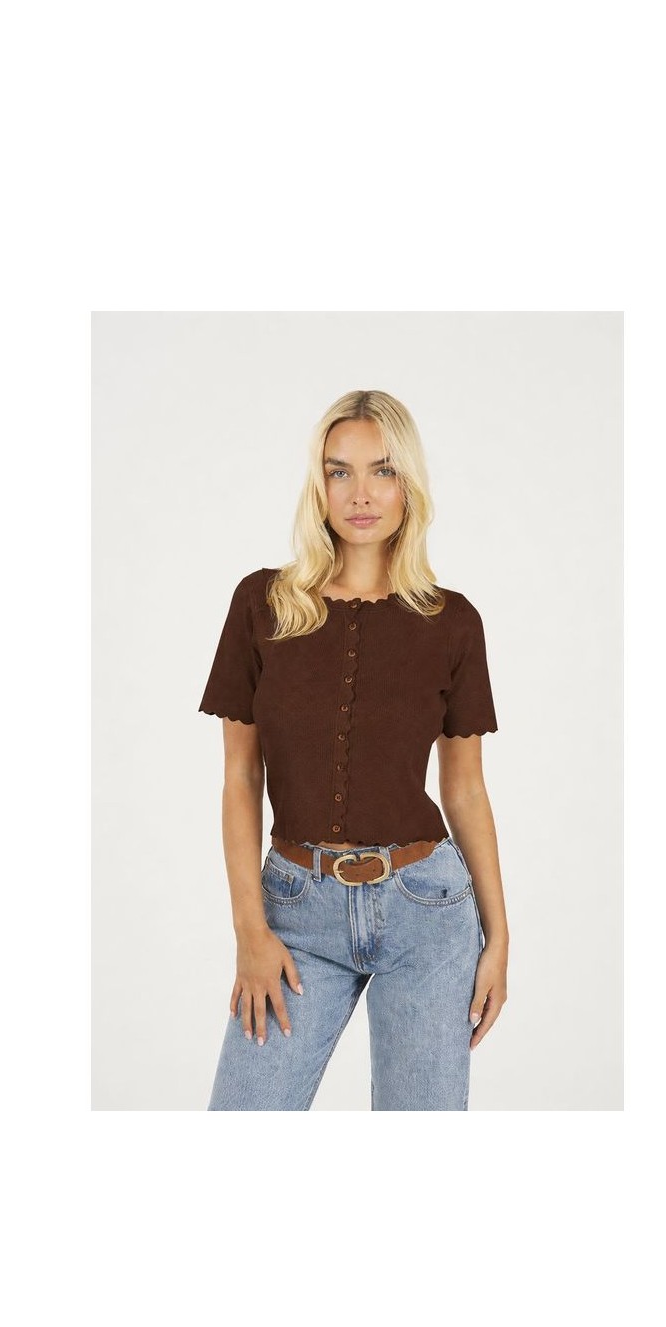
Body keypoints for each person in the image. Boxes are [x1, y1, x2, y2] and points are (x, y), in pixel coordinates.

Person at [198, 390, 509, 1110]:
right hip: (294, 912)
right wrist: (249, 930)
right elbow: (240, 778)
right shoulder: (264, 605)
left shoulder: (452, 622)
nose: (360, 494)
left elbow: (465, 788)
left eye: (383, 471)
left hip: (427, 911)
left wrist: (499, 937)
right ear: (319, 484)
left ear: (410, 485)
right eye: (339, 471)